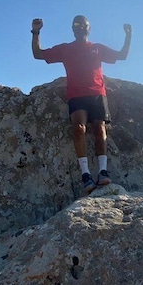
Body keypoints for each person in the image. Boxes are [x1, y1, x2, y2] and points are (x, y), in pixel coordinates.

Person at [31, 15, 132, 193]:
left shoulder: (97, 48)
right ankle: (86, 174)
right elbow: (38, 54)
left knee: (100, 129)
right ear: (73, 29)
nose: (80, 28)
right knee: (79, 128)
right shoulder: (66, 49)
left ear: (89, 28)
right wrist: (36, 32)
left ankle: (102, 171)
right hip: (76, 96)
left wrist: (128, 35)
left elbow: (122, 55)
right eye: (77, 25)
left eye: (84, 25)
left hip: (97, 94)